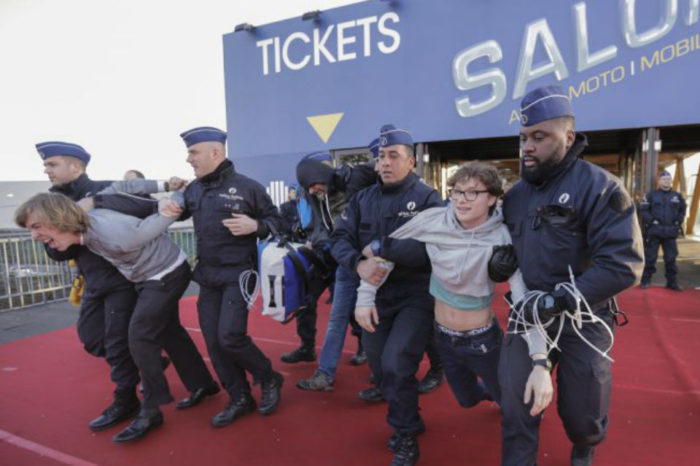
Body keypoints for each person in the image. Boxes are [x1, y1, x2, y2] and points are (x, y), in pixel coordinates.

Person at [499, 85, 644, 466]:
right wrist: (497, 262)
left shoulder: (601, 188)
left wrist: (559, 299)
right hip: (529, 315)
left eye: (539, 137)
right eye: (524, 138)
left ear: (569, 136)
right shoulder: (515, 196)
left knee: (583, 417)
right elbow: (503, 249)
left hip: (583, 317)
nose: (527, 146)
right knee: (516, 403)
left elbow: (624, 263)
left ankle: (584, 449)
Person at [15, 192, 218, 443]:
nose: (34, 236)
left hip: (166, 273)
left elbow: (167, 215)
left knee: (139, 337)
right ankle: (203, 384)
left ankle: (150, 410)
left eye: (36, 227)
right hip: (143, 276)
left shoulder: (114, 235)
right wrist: (92, 200)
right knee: (167, 330)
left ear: (59, 218)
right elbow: (111, 196)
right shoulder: (85, 230)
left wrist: (173, 198)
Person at [354, 162, 519, 420]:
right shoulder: (433, 220)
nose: (462, 200)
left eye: (473, 193)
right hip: (443, 337)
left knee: (512, 405)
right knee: (466, 400)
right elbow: (387, 253)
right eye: (457, 191)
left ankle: (510, 400)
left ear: (493, 198)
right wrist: (365, 297)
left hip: (483, 341)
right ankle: (490, 392)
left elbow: (520, 288)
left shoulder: (503, 236)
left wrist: (534, 347)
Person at [332, 124, 444, 466]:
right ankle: (410, 415)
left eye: (393, 156)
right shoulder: (362, 199)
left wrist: (386, 251)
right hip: (375, 297)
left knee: (397, 363)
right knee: (381, 369)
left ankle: (406, 434)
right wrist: (358, 265)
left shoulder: (427, 198)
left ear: (411, 161)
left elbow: (434, 249)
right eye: (380, 156)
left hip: (416, 295)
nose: (384, 163)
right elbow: (339, 240)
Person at [175, 126, 284, 427]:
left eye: (193, 152)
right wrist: (172, 191)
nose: (189, 159)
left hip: (239, 273)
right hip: (208, 276)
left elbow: (278, 222)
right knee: (213, 342)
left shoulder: (249, 187)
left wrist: (256, 226)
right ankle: (239, 398)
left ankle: (268, 377)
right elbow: (174, 211)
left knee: (230, 337)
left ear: (216, 152)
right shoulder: (193, 189)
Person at [36, 141, 145, 432]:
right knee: (92, 339)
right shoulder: (50, 203)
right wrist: (56, 238)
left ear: (75, 166)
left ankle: (127, 399)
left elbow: (146, 212)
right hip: (92, 281)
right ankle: (148, 361)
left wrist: (98, 207)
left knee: (116, 342)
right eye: (46, 165)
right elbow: (59, 252)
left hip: (123, 278)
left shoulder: (107, 189)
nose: (46, 170)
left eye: (52, 164)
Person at [295, 139, 380, 392]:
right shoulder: (316, 198)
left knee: (378, 317)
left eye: (313, 184)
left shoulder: (355, 178)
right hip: (346, 263)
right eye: (307, 187)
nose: (311, 191)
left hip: (374, 262)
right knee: (337, 318)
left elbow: (384, 167)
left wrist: (355, 171)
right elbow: (326, 228)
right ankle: (325, 373)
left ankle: (383, 373)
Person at [639, 170, 686, 291]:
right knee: (650, 258)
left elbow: (683, 210)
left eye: (669, 180)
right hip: (654, 232)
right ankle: (645, 280)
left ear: (671, 181)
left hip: (670, 233)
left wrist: (678, 221)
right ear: (660, 181)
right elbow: (643, 209)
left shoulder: (677, 196)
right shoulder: (651, 195)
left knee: (671, 259)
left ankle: (672, 283)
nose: (667, 182)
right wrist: (652, 220)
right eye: (664, 180)